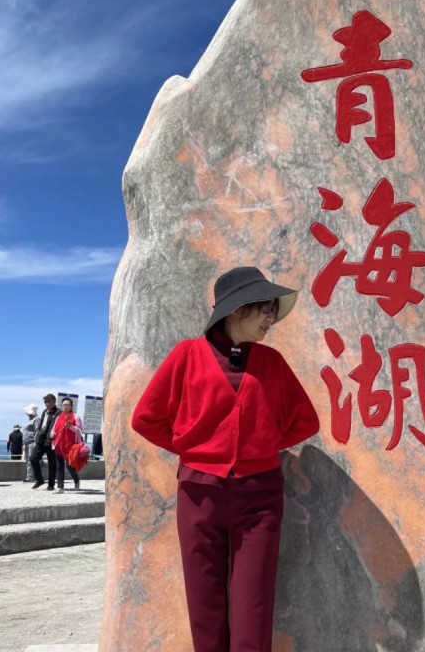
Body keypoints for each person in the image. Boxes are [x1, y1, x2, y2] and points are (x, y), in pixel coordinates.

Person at [132, 266, 320, 652]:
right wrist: (194, 448)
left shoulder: (272, 363)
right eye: (265, 308)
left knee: (254, 605)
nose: (271, 317)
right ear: (237, 309)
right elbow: (145, 419)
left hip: (260, 497)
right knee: (205, 604)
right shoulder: (186, 355)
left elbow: (306, 421)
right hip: (199, 494)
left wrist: (260, 444)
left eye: (273, 309)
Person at [50, 397, 83, 494]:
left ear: (71, 406)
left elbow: (80, 431)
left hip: (71, 446)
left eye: (68, 405)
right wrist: (52, 434)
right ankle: (60, 488)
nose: (65, 406)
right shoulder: (58, 417)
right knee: (59, 466)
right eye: (64, 405)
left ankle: (76, 479)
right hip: (59, 445)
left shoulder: (76, 417)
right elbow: (54, 429)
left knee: (70, 466)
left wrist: (71, 427)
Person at [30, 394, 61, 490]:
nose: (46, 403)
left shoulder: (58, 412)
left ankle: (51, 485)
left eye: (48, 401)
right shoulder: (44, 412)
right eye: (45, 401)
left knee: (52, 463)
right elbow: (41, 426)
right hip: (41, 440)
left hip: (51, 441)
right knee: (33, 458)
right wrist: (37, 439)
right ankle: (39, 480)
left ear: (54, 401)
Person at [22, 403, 41, 482]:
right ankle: (30, 476)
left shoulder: (37, 419)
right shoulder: (30, 420)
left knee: (31, 460)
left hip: (32, 442)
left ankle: (30, 477)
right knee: (28, 460)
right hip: (27, 442)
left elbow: (37, 431)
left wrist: (36, 441)